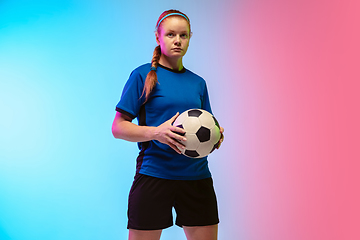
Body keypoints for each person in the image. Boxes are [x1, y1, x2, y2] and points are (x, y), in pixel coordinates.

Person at [112, 9, 224, 240]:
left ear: (190, 38)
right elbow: (118, 127)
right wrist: (156, 132)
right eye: (171, 35)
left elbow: (208, 124)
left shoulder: (198, 83)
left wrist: (216, 136)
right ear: (158, 37)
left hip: (197, 178)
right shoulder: (142, 76)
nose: (177, 41)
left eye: (183, 35)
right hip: (154, 175)